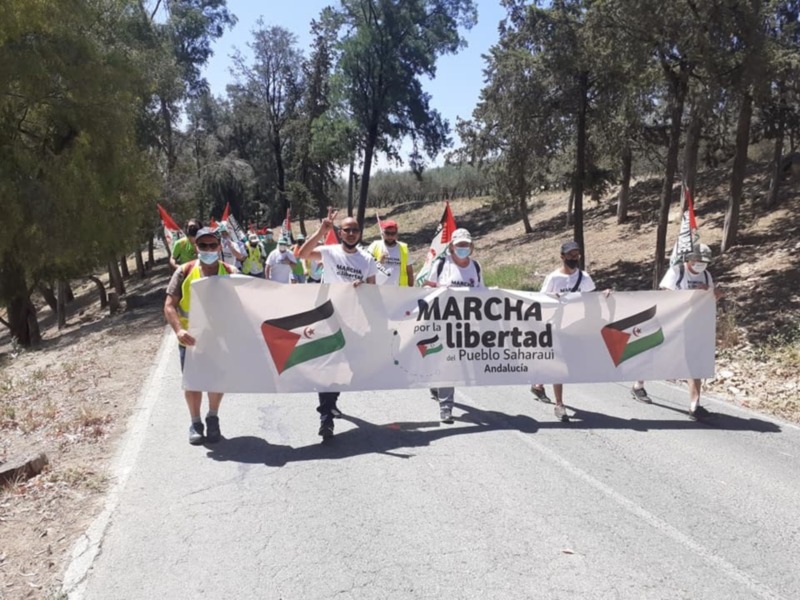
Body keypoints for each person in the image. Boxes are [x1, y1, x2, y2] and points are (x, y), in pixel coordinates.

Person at [298, 209, 377, 439]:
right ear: (340, 233)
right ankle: (326, 418)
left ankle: (330, 404)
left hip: (353, 319)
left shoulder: (367, 259)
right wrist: (320, 231)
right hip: (327, 316)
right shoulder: (329, 252)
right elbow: (302, 255)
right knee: (328, 366)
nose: (351, 233)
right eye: (347, 230)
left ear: (360, 234)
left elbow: (374, 292)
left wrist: (363, 286)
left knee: (345, 368)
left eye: (355, 230)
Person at [164, 227, 238, 445]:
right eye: (203, 245)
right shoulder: (184, 271)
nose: (208, 249)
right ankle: (195, 423)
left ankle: (212, 417)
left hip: (220, 339)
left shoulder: (231, 271)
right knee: (193, 383)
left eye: (212, 245)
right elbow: (169, 306)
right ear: (196, 247)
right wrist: (179, 329)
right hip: (191, 340)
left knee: (218, 380)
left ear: (219, 247)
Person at [631, 243, 723, 418]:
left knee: (693, 361)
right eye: (698, 260)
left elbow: (711, 297)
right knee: (653, 354)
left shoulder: (706, 275)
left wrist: (714, 293)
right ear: (689, 259)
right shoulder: (676, 272)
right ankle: (638, 385)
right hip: (669, 323)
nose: (701, 264)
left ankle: (694, 405)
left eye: (705, 261)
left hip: (692, 325)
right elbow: (665, 295)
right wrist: (691, 292)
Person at [422, 228, 484, 424]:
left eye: (466, 245)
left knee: (452, 361)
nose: (463, 248)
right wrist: (439, 291)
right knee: (448, 361)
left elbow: (483, 293)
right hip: (442, 321)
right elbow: (427, 287)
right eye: (459, 245)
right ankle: (446, 407)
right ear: (451, 246)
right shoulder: (441, 265)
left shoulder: (476, 267)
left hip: (466, 323)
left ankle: (436, 384)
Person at [530, 240, 596, 423]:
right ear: (562, 256)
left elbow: (593, 299)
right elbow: (541, 299)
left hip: (576, 327)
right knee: (559, 365)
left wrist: (605, 295)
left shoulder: (584, 278)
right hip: (557, 327)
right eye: (570, 255)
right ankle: (559, 404)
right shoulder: (553, 278)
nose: (574, 258)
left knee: (570, 363)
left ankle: (538, 384)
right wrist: (553, 298)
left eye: (576, 255)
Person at [367, 219, 414, 286]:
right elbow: (366, 267)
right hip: (378, 290)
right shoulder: (375, 246)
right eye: (387, 233)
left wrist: (411, 289)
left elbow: (409, 272)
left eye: (393, 234)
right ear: (382, 233)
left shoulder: (403, 248)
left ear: (397, 234)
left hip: (398, 291)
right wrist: (379, 262)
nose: (390, 236)